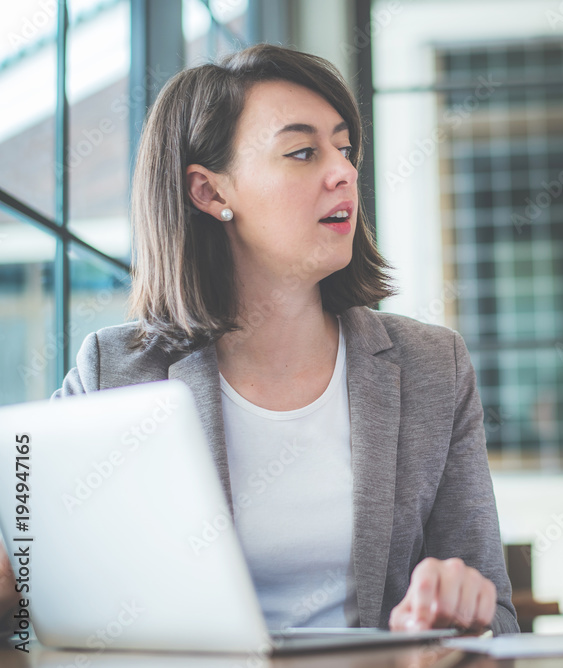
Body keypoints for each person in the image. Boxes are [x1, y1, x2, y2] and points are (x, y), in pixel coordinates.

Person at [0, 44, 517, 635]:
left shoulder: (433, 366)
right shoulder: (112, 372)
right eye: (302, 152)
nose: (344, 171)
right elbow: (27, 601)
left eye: (345, 149)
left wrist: (457, 615)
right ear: (210, 193)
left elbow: (496, 616)